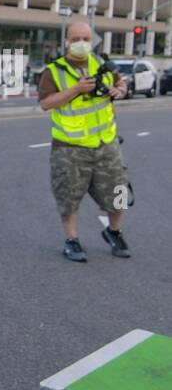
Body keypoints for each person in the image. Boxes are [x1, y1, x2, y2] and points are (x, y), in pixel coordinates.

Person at [38, 21, 133, 261]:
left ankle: (114, 232)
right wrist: (76, 90)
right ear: (67, 41)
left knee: (120, 193)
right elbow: (46, 103)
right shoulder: (54, 71)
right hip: (70, 148)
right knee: (68, 197)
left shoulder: (102, 64)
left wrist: (119, 91)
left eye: (86, 39)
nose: (82, 43)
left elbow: (122, 83)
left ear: (93, 41)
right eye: (76, 38)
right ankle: (72, 240)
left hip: (107, 144)